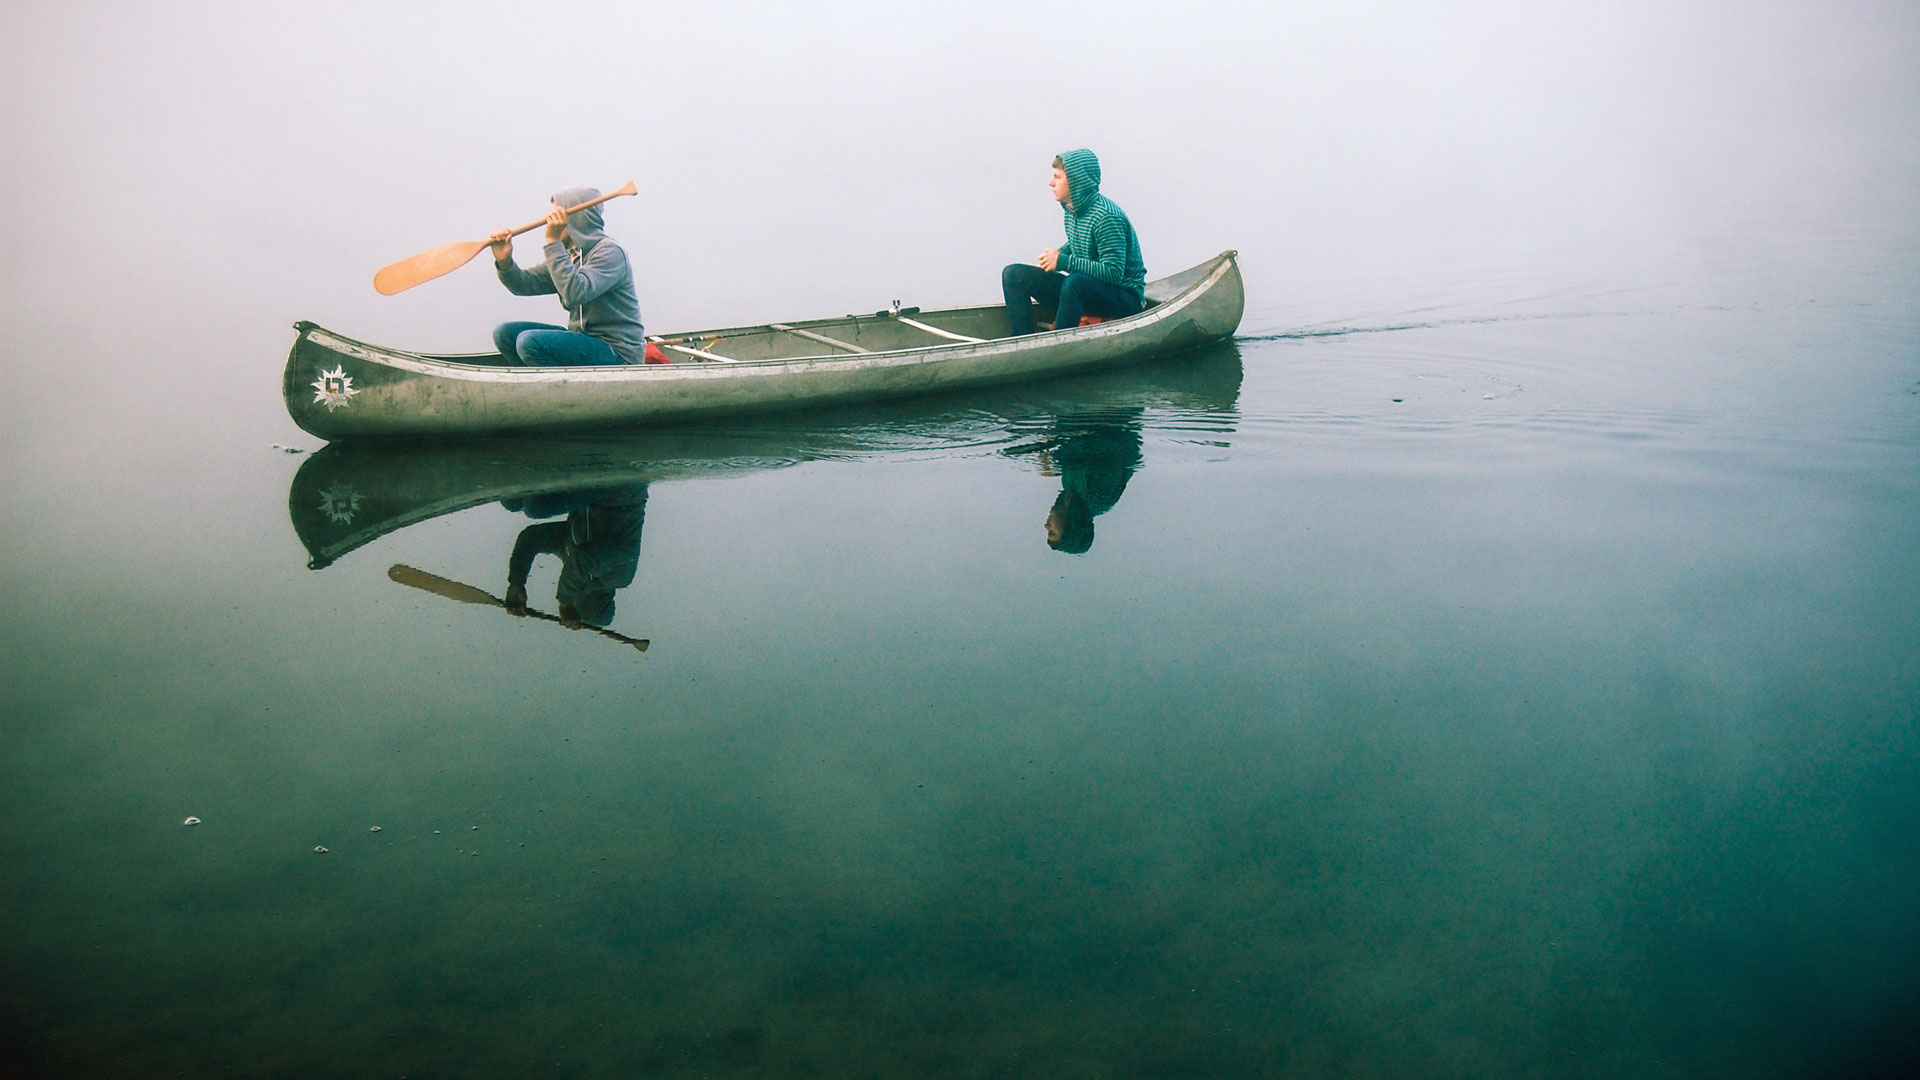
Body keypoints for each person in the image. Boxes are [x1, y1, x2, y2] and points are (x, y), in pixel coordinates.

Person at [490, 187, 647, 366]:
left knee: (529, 342)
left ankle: (558, 390)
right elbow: (524, 285)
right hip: (584, 340)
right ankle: (537, 385)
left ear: (575, 219)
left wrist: (553, 242)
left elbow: (576, 293)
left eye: (556, 215)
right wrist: (505, 262)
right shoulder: (570, 255)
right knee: (504, 334)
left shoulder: (610, 252)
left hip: (616, 351)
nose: (548, 222)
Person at [1001, 149, 1147, 336]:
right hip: (1088, 290)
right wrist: (1053, 258)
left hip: (1124, 299)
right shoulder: (1072, 211)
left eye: (1057, 177)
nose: (1050, 183)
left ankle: (1058, 345)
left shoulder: (1106, 217)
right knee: (1013, 274)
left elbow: (1113, 273)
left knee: (1074, 282)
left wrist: (1062, 261)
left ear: (1076, 181)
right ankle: (1022, 340)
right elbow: (1078, 242)